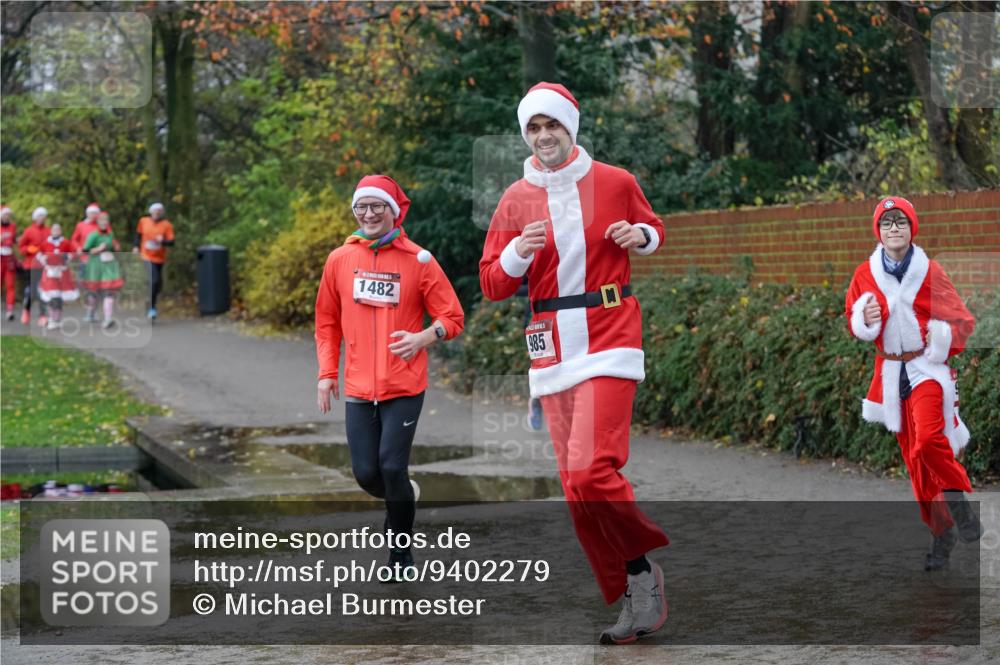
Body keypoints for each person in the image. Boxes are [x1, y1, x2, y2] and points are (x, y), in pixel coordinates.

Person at [479, 82, 669, 644]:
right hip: (552, 346)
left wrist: (640, 236)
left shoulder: (615, 181)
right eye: (533, 129)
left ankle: (644, 565)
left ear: (571, 129)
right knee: (575, 487)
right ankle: (637, 581)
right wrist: (518, 251)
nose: (543, 138)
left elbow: (655, 229)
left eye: (552, 127)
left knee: (593, 471)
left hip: (610, 334)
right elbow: (491, 282)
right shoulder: (515, 197)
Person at [315, 175, 464, 579]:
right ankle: (402, 501)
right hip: (360, 386)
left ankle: (400, 552)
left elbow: (452, 317)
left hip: (404, 385)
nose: (368, 214)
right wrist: (327, 373)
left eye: (377, 206)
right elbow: (327, 322)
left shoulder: (419, 260)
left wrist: (422, 337)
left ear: (393, 211)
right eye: (361, 207)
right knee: (367, 473)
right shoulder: (339, 260)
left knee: (392, 468)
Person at [845, 196, 983, 571]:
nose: (894, 228)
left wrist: (938, 340)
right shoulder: (864, 274)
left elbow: (962, 322)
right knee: (915, 466)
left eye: (901, 222)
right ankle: (943, 534)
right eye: (887, 223)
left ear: (911, 229)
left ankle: (962, 508)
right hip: (891, 376)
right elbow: (854, 321)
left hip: (927, 370)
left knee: (928, 443)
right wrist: (865, 318)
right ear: (878, 230)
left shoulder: (931, 271)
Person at [80, 211, 124, 329]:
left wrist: (116, 248)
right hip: (95, 266)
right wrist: (98, 249)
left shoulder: (110, 234)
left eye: (106, 220)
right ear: (98, 222)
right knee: (95, 293)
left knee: (108, 292)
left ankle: (108, 319)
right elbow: (85, 250)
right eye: (102, 220)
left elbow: (114, 247)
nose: (104, 223)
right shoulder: (93, 235)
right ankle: (91, 312)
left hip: (109, 266)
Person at [133, 202, 175, 320]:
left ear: (162, 213)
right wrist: (136, 246)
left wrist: (163, 241)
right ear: (150, 212)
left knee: (158, 283)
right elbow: (138, 235)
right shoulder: (143, 221)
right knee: (154, 280)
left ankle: (150, 299)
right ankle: (152, 307)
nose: (157, 213)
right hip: (146, 255)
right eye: (155, 211)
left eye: (159, 211)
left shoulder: (166, 225)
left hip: (159, 257)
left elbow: (172, 242)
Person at [37, 223, 79, 330]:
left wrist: (67, 257)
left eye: (58, 229)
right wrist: (45, 260)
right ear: (51, 231)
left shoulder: (65, 242)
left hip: (62, 273)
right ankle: (52, 319)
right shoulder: (46, 242)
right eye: (54, 229)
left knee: (59, 297)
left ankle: (57, 319)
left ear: (61, 231)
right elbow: (39, 254)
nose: (56, 231)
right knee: (53, 296)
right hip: (50, 273)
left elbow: (73, 253)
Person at [18, 207, 52, 327]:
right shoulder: (29, 231)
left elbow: (51, 246)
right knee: (31, 290)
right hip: (30, 265)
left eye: (44, 216)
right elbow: (21, 247)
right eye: (40, 216)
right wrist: (29, 249)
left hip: (44, 265)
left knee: (43, 291)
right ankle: (26, 311)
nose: (42, 218)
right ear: (35, 217)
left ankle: (42, 316)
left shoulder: (48, 231)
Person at [72, 203, 102, 321]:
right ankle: (89, 305)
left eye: (96, 213)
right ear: (87, 213)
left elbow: (109, 238)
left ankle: (92, 311)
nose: (94, 215)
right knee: (81, 283)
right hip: (84, 259)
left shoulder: (101, 226)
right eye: (91, 213)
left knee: (94, 287)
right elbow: (74, 240)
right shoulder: (81, 225)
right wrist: (78, 248)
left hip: (97, 261)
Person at [1, 206, 18, 321]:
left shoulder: (13, 226)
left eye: (8, 215)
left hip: (9, 259)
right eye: (5, 215)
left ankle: (10, 310)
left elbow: (14, 241)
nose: (7, 217)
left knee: (10, 285)